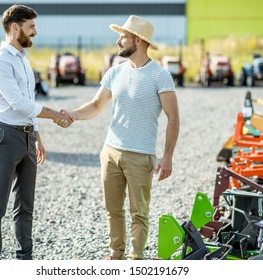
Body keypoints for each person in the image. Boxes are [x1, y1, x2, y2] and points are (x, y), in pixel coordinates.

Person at [58, 15, 180, 260]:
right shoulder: (115, 72)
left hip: (141, 155)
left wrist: (167, 157)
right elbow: (95, 105)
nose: (118, 40)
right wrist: (71, 114)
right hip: (110, 151)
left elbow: (173, 118)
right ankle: (116, 255)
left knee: (139, 213)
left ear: (137, 40)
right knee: (113, 209)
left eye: (123, 36)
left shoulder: (160, 76)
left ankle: (135, 260)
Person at [0, 4, 72, 260]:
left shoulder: (23, 59)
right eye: (31, 26)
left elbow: (28, 99)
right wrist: (56, 114)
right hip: (5, 137)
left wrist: (37, 136)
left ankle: (25, 259)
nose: (35, 31)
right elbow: (18, 103)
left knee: (26, 206)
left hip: (26, 137)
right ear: (15, 27)